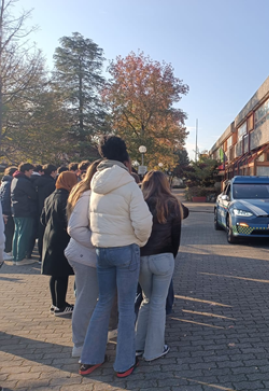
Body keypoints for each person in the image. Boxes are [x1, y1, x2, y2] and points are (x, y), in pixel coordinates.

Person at [79, 136, 152, 378]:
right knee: (125, 306)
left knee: (103, 302)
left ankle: (89, 358)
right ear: (126, 158)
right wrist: (139, 242)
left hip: (103, 249)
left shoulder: (95, 185)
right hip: (125, 249)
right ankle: (124, 363)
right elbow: (143, 222)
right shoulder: (129, 184)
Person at [136, 171, 183, 362]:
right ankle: (154, 349)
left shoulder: (138, 203)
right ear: (166, 183)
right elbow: (176, 236)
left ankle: (138, 345)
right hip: (163, 257)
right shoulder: (172, 202)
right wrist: (172, 256)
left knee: (146, 301)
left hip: (141, 257)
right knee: (157, 303)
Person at [65, 160, 101, 357]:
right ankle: (79, 343)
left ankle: (83, 339)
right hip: (84, 255)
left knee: (85, 297)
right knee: (85, 299)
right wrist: (98, 243)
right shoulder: (88, 195)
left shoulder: (85, 191)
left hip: (83, 254)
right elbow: (75, 228)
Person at [41, 172, 77, 317]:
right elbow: (67, 221)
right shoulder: (65, 199)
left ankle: (56, 303)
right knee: (62, 273)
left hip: (49, 236)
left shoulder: (50, 197)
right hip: (61, 238)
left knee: (54, 274)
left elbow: (43, 219)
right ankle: (61, 306)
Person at [11, 163, 38, 266]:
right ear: (26, 171)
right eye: (31, 170)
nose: (32, 173)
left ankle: (16, 257)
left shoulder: (15, 179)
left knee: (17, 233)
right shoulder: (24, 181)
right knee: (23, 234)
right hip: (25, 210)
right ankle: (21, 258)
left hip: (17, 210)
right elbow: (33, 195)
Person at [34, 165, 57, 263]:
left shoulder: (36, 183)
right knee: (48, 236)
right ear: (52, 172)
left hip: (38, 210)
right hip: (49, 211)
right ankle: (46, 257)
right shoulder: (52, 184)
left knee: (41, 235)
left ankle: (40, 257)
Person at [1, 167, 17, 259]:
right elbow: (5, 199)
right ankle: (7, 251)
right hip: (7, 211)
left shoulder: (4, 183)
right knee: (8, 231)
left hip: (5, 211)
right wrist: (5, 213)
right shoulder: (8, 184)